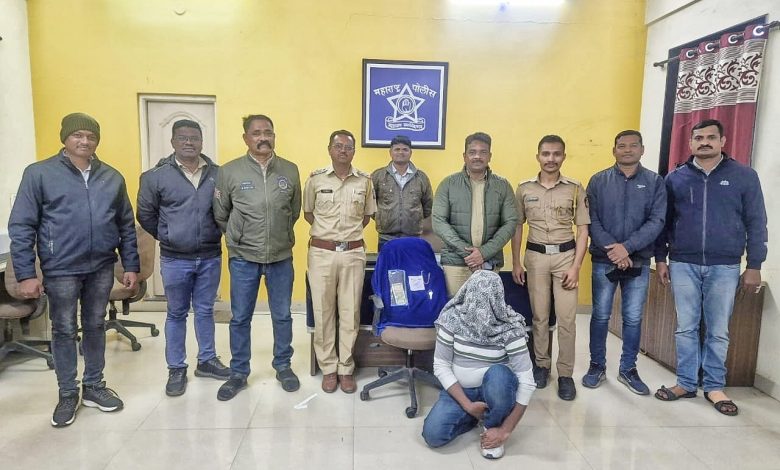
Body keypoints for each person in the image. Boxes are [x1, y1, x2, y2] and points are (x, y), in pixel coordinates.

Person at [9, 112, 138, 427]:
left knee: (95, 325)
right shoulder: (40, 174)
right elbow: (22, 226)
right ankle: (68, 393)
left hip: (101, 266)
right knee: (64, 329)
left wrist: (130, 265)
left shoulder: (112, 177)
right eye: (78, 135)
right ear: (65, 138)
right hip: (61, 268)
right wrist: (26, 273)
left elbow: (126, 225)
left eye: (91, 136)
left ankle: (94, 386)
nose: (85, 141)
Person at [654, 119, 767, 416]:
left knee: (718, 330)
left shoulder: (744, 176)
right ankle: (686, 382)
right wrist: (661, 258)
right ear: (691, 142)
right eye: (698, 138)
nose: (704, 142)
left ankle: (715, 386)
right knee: (686, 327)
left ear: (722, 141)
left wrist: (754, 264)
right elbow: (664, 223)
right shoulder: (675, 178)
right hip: (683, 263)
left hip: (725, 265)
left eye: (710, 137)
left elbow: (757, 222)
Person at [137, 119, 230, 397]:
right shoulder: (155, 176)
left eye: (194, 138)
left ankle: (207, 360)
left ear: (202, 141)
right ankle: (176, 367)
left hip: (210, 255)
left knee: (205, 310)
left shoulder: (218, 174)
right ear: (173, 142)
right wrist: (168, 235)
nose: (189, 142)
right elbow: (146, 215)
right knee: (176, 313)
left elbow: (226, 209)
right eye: (183, 138)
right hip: (175, 259)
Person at [213, 114, 302, 400]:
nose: (263, 138)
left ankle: (283, 366)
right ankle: (239, 372)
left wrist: (279, 235)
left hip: (280, 257)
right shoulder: (229, 171)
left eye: (268, 132)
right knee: (240, 317)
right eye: (256, 133)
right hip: (243, 258)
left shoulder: (290, 170)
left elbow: (294, 211)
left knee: (282, 316)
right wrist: (238, 237)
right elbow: (221, 213)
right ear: (246, 138)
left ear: (274, 136)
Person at [582, 130, 666, 395]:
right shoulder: (598, 181)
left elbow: (657, 221)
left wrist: (627, 248)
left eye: (633, 145)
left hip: (638, 260)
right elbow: (592, 220)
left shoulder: (655, 182)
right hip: (603, 259)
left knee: (632, 317)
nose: (627, 150)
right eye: (621, 146)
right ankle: (596, 366)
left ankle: (628, 369)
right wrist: (615, 251)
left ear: (642, 149)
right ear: (614, 150)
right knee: (600, 315)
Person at [422, 270, 535, 460]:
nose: (481, 305)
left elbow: (527, 381)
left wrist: (505, 430)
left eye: (488, 299)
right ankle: (474, 416)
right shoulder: (452, 319)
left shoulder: (510, 325)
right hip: (461, 391)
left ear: (498, 298)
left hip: (496, 390)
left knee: (499, 375)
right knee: (433, 435)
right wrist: (467, 405)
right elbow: (441, 365)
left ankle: (493, 427)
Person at [511, 134, 589, 401]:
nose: (551, 159)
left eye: (556, 154)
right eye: (546, 154)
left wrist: (576, 267)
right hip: (536, 258)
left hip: (566, 257)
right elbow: (517, 227)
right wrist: (516, 261)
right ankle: (542, 366)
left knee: (566, 319)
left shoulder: (575, 188)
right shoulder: (524, 189)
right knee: (539, 317)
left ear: (563, 157)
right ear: (538, 157)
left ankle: (565, 374)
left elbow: (583, 230)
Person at [303, 130, 376, 394]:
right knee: (323, 311)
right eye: (338, 146)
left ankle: (345, 368)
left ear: (354, 151)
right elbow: (308, 213)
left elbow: (366, 217)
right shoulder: (315, 179)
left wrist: (345, 237)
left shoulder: (365, 181)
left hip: (353, 253)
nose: (343, 150)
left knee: (350, 311)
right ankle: (328, 368)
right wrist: (330, 236)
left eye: (348, 147)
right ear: (329, 149)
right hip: (321, 252)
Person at [432, 132, 518, 296]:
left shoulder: (502, 186)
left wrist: (484, 253)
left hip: (489, 262)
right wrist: (470, 254)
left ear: (490, 156)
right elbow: (439, 222)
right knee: (456, 309)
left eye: (483, 152)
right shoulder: (448, 184)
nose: (477, 156)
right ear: (464, 156)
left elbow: (511, 222)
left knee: (486, 309)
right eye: (472, 152)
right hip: (455, 263)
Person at [370, 135, 433, 251]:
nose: (401, 152)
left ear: (410, 152)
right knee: (388, 263)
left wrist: (413, 219)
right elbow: (370, 203)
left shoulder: (421, 177)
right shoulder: (378, 176)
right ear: (390, 152)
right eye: (397, 149)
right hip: (386, 238)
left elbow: (428, 206)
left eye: (405, 149)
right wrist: (382, 218)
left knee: (412, 263)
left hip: (413, 237)